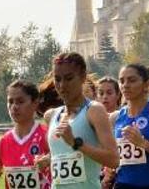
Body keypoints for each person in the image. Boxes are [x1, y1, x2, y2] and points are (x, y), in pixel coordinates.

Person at [44, 52, 119, 189]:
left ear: (83, 77)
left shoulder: (94, 111)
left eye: (69, 78)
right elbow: (64, 155)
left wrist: (76, 143)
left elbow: (114, 159)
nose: (62, 85)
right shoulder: (51, 115)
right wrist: (47, 159)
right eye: (57, 79)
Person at [0, 80, 51, 189]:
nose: (14, 106)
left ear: (35, 103)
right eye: (10, 101)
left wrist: (50, 159)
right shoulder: (0, 144)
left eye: (20, 101)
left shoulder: (48, 136)